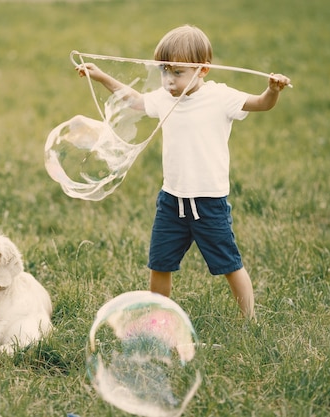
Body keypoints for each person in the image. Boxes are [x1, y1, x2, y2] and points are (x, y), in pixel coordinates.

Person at [75, 25, 290, 320]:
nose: (168, 80)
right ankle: (157, 317)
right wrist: (100, 76)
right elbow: (134, 100)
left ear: (203, 69)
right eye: (165, 71)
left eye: (177, 73)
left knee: (229, 264)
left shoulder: (220, 98)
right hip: (171, 201)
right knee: (159, 263)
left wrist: (272, 90)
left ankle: (249, 318)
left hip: (209, 203)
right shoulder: (165, 98)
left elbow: (261, 104)